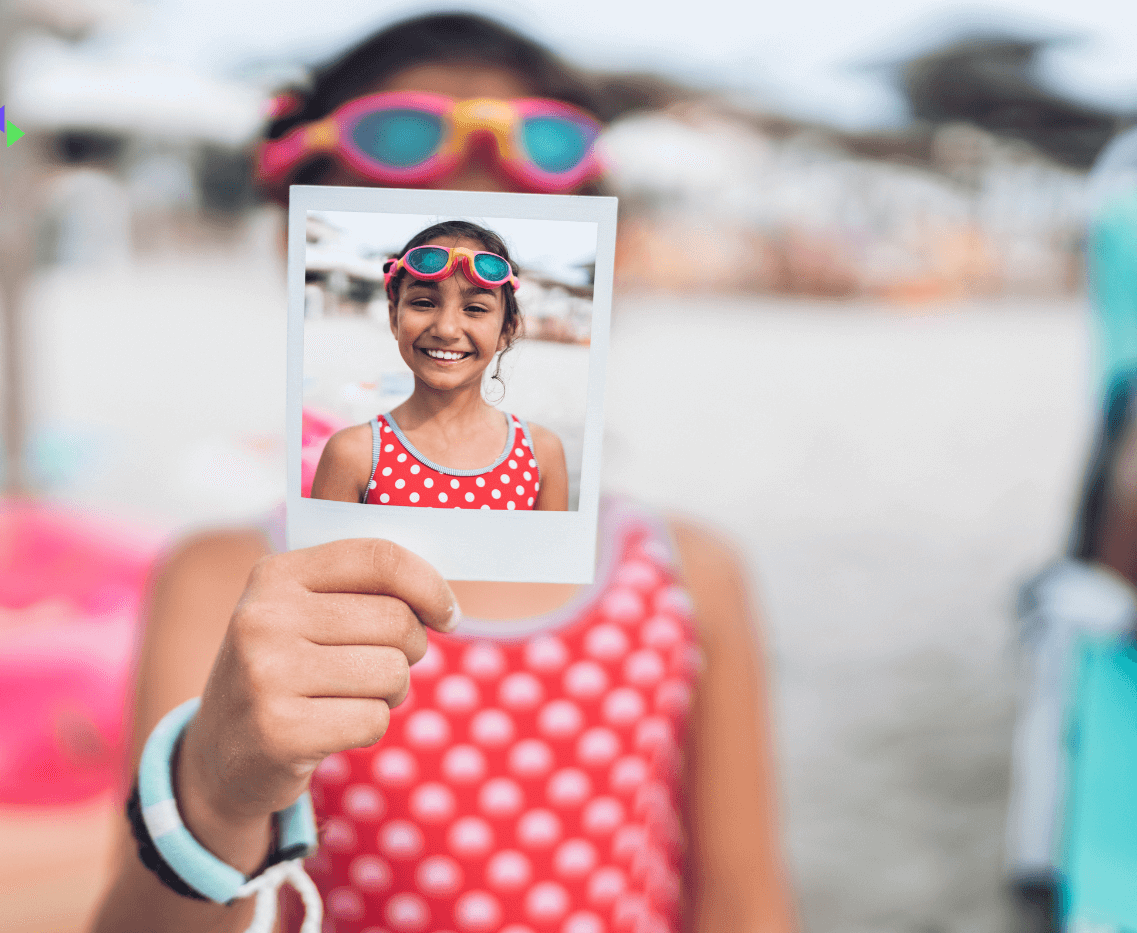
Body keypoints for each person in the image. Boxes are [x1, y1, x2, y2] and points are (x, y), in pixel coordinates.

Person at [92, 13, 795, 933]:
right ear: (317, 266)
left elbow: (745, 903)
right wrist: (219, 789)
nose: (450, 324)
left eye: (486, 287)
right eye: (424, 290)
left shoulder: (690, 574)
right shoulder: (228, 584)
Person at [311, 219, 568, 511]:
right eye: (423, 303)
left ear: (506, 330)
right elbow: (326, 557)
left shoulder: (541, 454)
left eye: (474, 309)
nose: (446, 329)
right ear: (394, 317)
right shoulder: (353, 455)